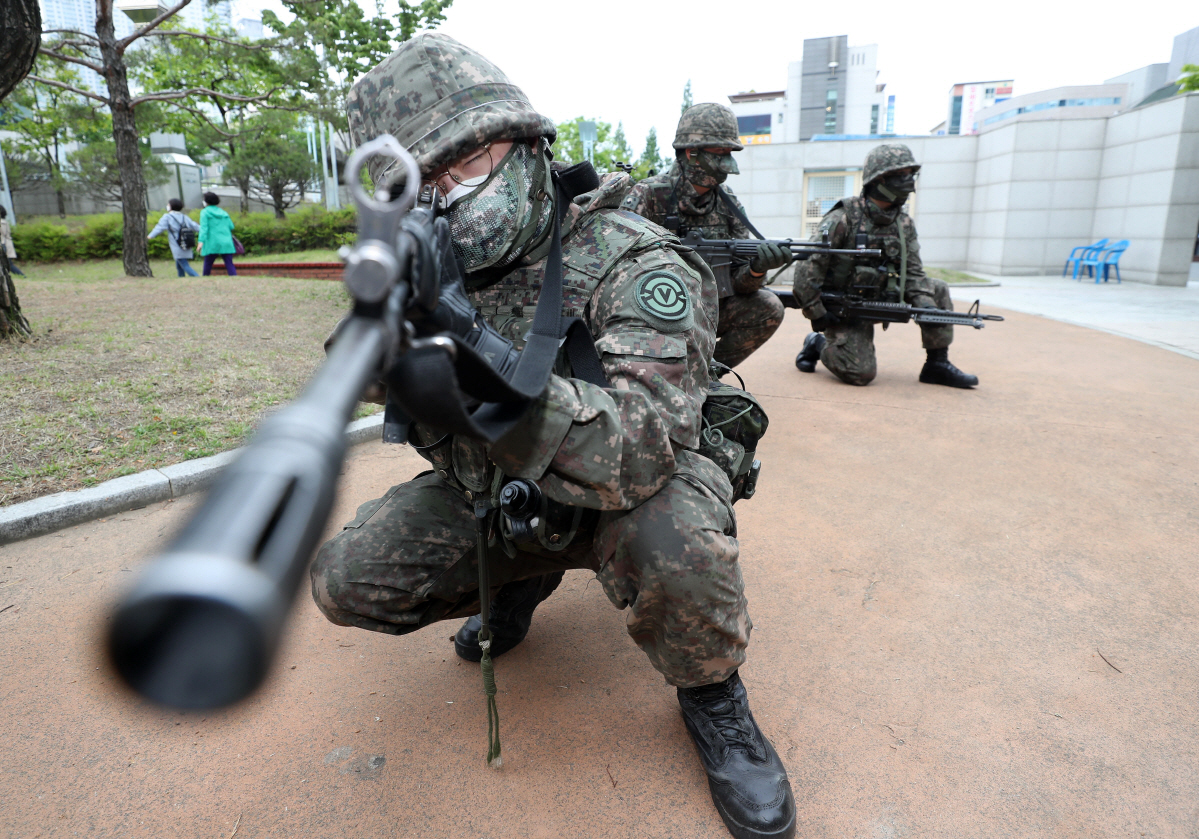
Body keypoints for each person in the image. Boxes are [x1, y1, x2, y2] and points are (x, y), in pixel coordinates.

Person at [311, 33, 796, 839]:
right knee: (347, 579)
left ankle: (714, 696)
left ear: (532, 145)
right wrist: (386, 329)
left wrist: (476, 367)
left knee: (673, 533)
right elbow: (358, 380)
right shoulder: (434, 258)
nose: (446, 196)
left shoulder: (634, 260)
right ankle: (519, 576)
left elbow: (643, 450)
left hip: (631, 491)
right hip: (502, 489)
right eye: (418, 185)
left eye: (465, 163)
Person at [792, 143, 978, 388]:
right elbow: (807, 270)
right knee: (860, 374)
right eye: (900, 175)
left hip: (886, 296)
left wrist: (926, 305)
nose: (908, 181)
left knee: (937, 289)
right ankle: (817, 342)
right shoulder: (843, 218)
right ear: (878, 179)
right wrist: (819, 314)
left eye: (910, 174)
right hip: (846, 305)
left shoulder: (903, 223)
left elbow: (913, 271)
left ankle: (937, 364)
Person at [621, 104, 790, 368]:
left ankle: (707, 375)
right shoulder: (651, 196)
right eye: (719, 154)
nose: (726, 164)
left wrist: (757, 270)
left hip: (708, 307)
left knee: (768, 306)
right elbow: (616, 266)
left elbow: (738, 285)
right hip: (655, 308)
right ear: (691, 154)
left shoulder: (728, 203)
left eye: (729, 153)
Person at [147, 198, 200, 277]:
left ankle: (196, 277)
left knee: (183, 263)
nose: (167, 206)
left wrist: (150, 235)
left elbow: (160, 227)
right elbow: (195, 226)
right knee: (179, 263)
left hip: (177, 242)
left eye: (168, 205)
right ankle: (181, 278)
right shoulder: (184, 217)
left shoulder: (167, 217)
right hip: (186, 242)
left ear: (171, 207)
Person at [197, 192, 237, 276]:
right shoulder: (224, 213)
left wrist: (201, 242)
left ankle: (205, 278)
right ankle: (234, 277)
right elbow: (231, 226)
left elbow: (204, 228)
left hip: (212, 241)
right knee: (229, 263)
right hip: (226, 241)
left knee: (208, 263)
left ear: (206, 201)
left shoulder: (204, 212)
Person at [0, 207, 25, 276]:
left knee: (9, 264)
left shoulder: (2, 222)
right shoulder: (4, 221)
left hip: (4, 244)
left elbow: (3, 234)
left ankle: (22, 276)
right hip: (5, 244)